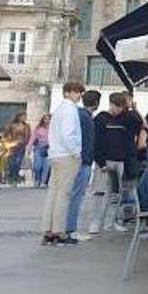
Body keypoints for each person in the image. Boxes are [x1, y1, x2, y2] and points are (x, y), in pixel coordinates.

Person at [40, 84, 85, 245]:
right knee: (63, 194)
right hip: (67, 156)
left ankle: (48, 229)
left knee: (53, 193)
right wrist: (76, 152)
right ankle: (59, 231)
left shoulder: (58, 110)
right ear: (67, 93)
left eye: (80, 92)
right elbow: (68, 134)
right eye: (76, 91)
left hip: (56, 155)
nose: (79, 94)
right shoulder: (70, 110)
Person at [89, 93, 137, 234]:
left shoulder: (125, 119)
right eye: (117, 107)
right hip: (104, 161)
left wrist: (132, 109)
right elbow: (97, 141)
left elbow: (137, 123)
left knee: (116, 194)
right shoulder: (101, 119)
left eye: (122, 107)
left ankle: (110, 222)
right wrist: (100, 161)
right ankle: (95, 222)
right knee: (100, 192)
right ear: (111, 104)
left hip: (120, 161)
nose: (119, 110)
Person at [63, 90, 100, 241]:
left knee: (73, 195)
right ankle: (71, 229)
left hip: (78, 160)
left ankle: (68, 228)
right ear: (96, 103)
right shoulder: (86, 118)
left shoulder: (79, 115)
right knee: (76, 196)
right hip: (82, 161)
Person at [2, 112, 29, 186]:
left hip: (21, 146)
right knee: (11, 163)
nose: (24, 118)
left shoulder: (26, 126)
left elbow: (28, 136)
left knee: (18, 162)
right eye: (23, 116)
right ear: (18, 117)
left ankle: (15, 177)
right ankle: (13, 177)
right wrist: (8, 143)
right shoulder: (11, 125)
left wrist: (26, 143)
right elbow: (5, 135)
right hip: (12, 146)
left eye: (25, 116)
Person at [31, 114, 50, 188]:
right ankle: (37, 179)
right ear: (43, 120)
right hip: (39, 148)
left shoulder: (54, 128)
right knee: (37, 166)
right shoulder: (39, 128)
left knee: (46, 166)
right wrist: (29, 148)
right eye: (45, 119)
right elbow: (32, 138)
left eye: (48, 119)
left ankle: (43, 182)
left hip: (49, 149)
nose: (47, 121)